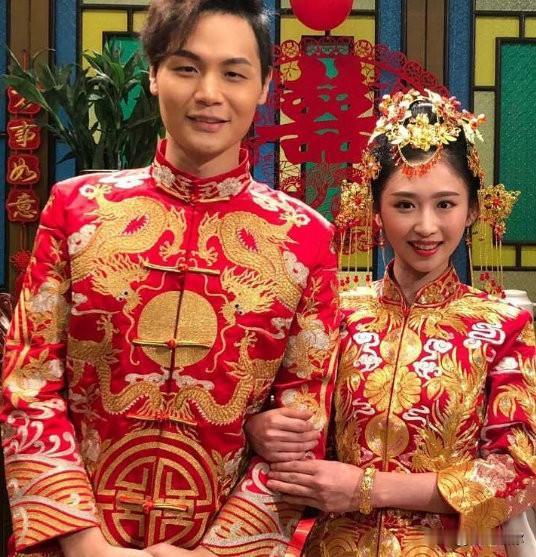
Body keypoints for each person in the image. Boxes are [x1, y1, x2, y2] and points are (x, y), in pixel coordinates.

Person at [0, 1, 339, 556]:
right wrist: (85, 544)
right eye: (186, 68)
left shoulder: (306, 239)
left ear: (264, 87)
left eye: (234, 73)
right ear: (154, 74)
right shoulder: (77, 211)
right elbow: (29, 384)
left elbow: (300, 428)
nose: (209, 93)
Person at [245, 89, 536, 556]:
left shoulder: (504, 327)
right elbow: (289, 423)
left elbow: (516, 477)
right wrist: (261, 430)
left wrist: (365, 488)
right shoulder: (335, 313)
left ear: (474, 210)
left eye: (445, 204)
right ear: (375, 211)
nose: (426, 226)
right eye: (404, 205)